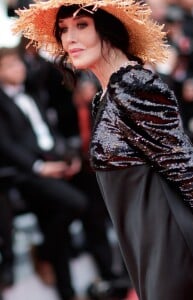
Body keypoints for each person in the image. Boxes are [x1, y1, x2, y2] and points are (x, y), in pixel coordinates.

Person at [14, 1, 193, 299]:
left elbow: (190, 172)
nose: (69, 38)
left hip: (172, 248)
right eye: (63, 30)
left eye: (81, 25)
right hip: (147, 248)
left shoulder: (134, 84)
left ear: (109, 28)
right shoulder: (106, 95)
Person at [0, 46, 87, 300]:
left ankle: (67, 292)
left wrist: (66, 158)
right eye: (9, 66)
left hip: (52, 162)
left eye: (18, 65)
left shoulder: (33, 94)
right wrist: (39, 168)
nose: (18, 69)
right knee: (76, 204)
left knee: (56, 226)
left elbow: (49, 130)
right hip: (27, 174)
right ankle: (45, 252)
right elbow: (6, 145)